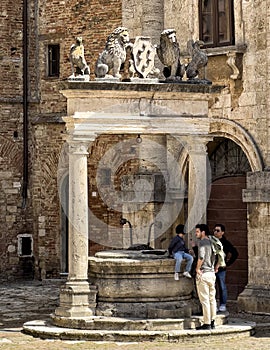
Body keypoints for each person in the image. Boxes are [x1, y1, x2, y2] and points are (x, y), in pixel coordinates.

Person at [195, 223, 219, 330]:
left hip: (204, 273)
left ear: (203, 232)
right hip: (211, 273)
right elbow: (220, 255)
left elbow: (201, 257)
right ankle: (213, 320)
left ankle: (207, 323)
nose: (196, 234)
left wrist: (197, 269)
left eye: (197, 231)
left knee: (204, 300)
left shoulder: (202, 242)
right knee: (212, 299)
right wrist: (216, 267)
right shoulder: (212, 242)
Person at [213, 224, 239, 312]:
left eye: (218, 230)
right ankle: (214, 305)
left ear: (222, 232)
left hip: (221, 268)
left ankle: (223, 304)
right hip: (211, 267)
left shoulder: (226, 243)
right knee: (212, 287)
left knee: (222, 286)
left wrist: (227, 263)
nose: (215, 232)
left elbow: (235, 253)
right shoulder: (212, 241)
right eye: (215, 230)